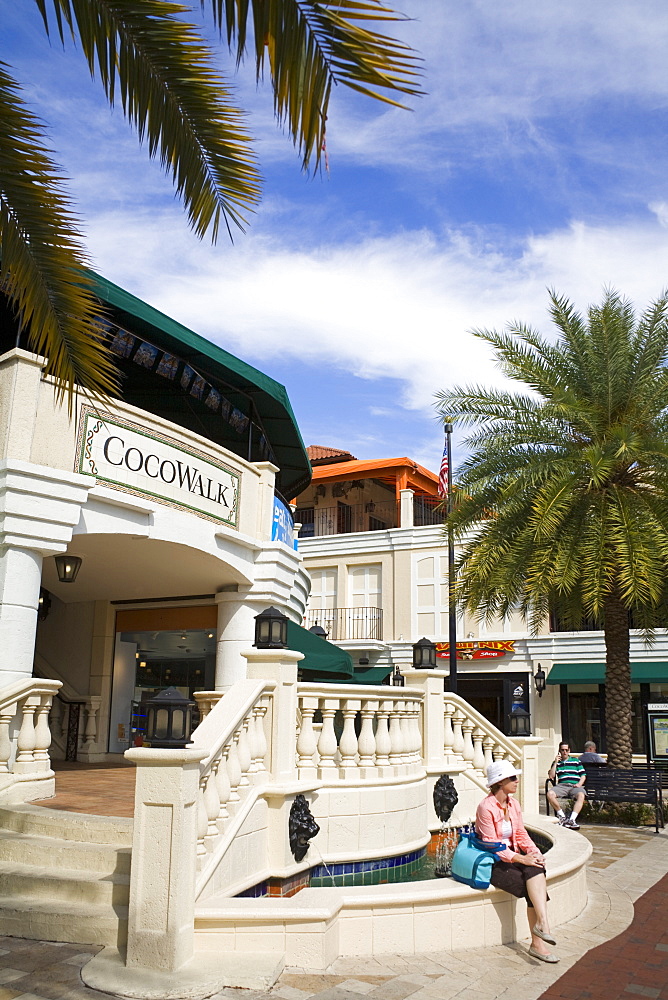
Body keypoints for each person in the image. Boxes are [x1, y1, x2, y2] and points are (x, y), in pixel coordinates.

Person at [476, 759, 559, 963]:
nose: (517, 780)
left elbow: (520, 834)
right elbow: (492, 844)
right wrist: (522, 858)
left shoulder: (514, 804)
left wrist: (534, 852)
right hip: (495, 861)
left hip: (513, 857)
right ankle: (538, 941)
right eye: (512, 777)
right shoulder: (485, 807)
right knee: (529, 885)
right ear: (500, 781)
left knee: (536, 868)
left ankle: (543, 926)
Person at [547, 741, 587, 829]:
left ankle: (572, 820)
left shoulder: (576, 761)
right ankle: (562, 817)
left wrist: (579, 784)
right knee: (550, 794)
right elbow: (551, 776)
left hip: (574, 785)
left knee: (581, 795)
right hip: (562, 785)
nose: (564, 752)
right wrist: (556, 763)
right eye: (562, 750)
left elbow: (583, 775)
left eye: (566, 750)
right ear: (559, 751)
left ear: (569, 751)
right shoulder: (557, 763)